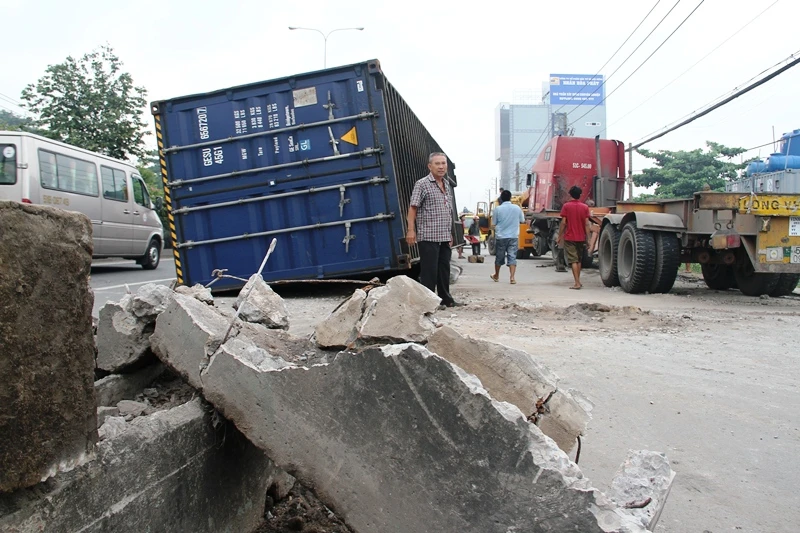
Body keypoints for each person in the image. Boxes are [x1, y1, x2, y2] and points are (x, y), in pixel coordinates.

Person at [406, 152, 463, 308]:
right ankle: (429, 302)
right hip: (428, 235)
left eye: (443, 163)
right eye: (437, 164)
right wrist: (411, 230)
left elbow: (447, 211)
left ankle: (446, 299)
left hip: (444, 235)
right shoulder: (422, 184)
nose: (441, 166)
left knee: (444, 269)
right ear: (430, 166)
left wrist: (450, 232)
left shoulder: (446, 185)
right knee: (429, 270)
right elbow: (412, 209)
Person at [556, 185, 591, 289]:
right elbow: (587, 224)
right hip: (581, 237)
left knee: (573, 260)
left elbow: (563, 223)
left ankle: (577, 283)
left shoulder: (566, 206)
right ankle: (578, 281)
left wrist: (559, 235)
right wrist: (588, 238)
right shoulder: (585, 207)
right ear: (580, 195)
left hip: (570, 237)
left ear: (570, 194)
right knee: (579, 260)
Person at [490, 189, 525, 284]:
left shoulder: (497, 209)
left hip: (501, 236)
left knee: (499, 257)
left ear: (501, 198)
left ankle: (496, 275)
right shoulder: (517, 208)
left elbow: (494, 223)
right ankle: (512, 278)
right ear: (510, 198)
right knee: (512, 256)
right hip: (513, 236)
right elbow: (522, 220)